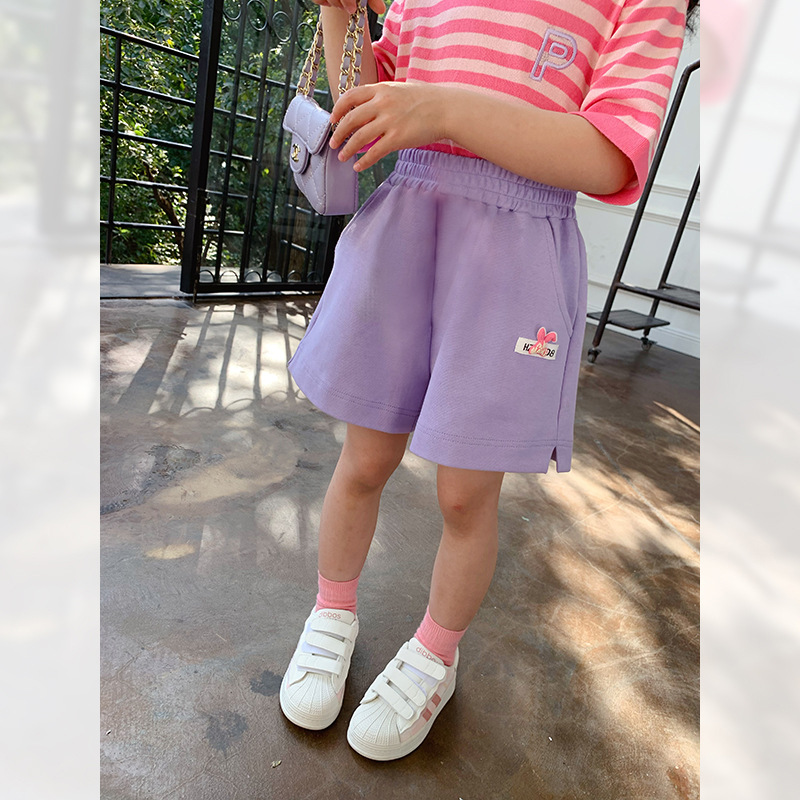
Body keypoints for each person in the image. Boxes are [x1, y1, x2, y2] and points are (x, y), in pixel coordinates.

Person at [279, 0, 699, 761]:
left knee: (466, 494)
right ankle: (331, 612)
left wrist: (444, 109)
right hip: (407, 226)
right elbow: (365, 108)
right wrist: (341, 16)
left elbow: (610, 155)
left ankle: (435, 654)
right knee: (364, 460)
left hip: (517, 255)